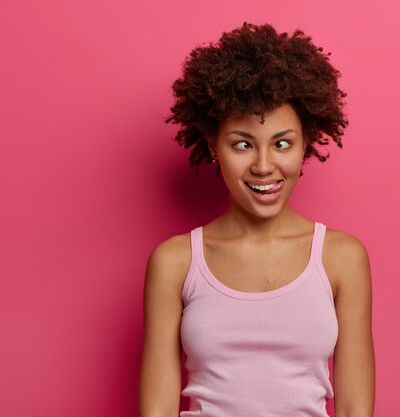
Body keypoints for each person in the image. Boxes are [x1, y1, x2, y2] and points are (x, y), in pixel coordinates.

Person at [139, 22, 375, 417]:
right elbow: (157, 410)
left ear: (306, 144)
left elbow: (355, 409)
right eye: (243, 145)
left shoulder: (342, 258)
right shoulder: (175, 261)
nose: (264, 166)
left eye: (282, 143)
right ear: (214, 146)